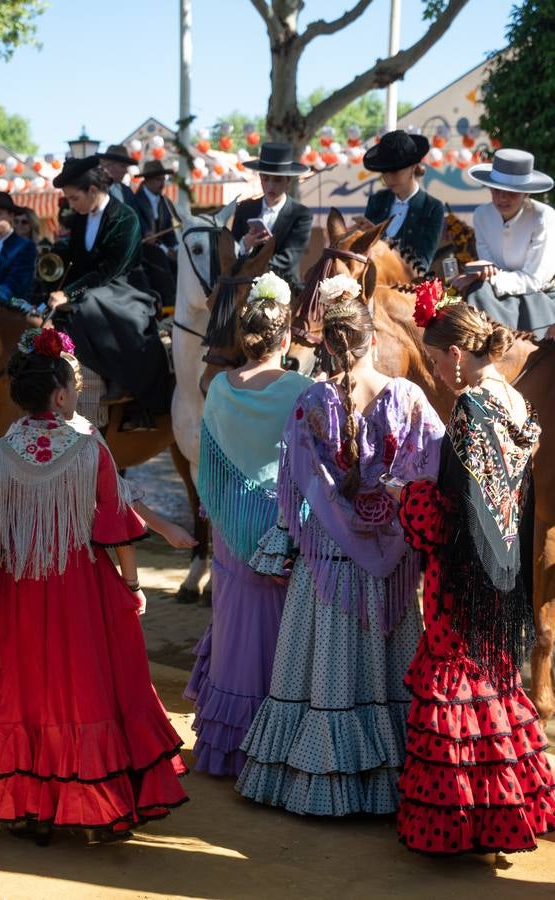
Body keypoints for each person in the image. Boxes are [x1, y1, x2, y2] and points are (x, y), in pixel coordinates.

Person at [0, 329, 189, 845]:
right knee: (84, 690)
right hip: (80, 588)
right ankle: (93, 799)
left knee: (26, 691)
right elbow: (114, 526)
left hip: (18, 589)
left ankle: (27, 803)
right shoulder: (89, 448)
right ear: (62, 395)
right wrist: (132, 586)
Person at [236, 275, 444, 815]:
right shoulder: (410, 398)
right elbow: (435, 470)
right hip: (393, 567)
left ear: (326, 346)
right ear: (373, 341)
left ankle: (322, 787)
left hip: (327, 566)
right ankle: (390, 781)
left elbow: (294, 486)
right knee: (386, 674)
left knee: (324, 677)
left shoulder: (310, 403)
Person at [393, 284, 555, 855]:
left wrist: (407, 494)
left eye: (436, 361)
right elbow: (503, 501)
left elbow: (451, 516)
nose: (436, 372)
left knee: (457, 686)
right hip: (503, 573)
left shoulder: (469, 409)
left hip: (460, 580)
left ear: (456, 354)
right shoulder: (513, 401)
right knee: (495, 683)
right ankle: (511, 803)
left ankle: (463, 819)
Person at [184, 272, 312, 777]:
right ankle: (279, 744)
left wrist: (219, 515)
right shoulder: (303, 389)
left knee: (237, 633)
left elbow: (207, 466)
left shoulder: (218, 387)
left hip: (231, 523)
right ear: (286, 339)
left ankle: (230, 749)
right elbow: (314, 465)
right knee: (284, 636)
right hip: (286, 525)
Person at [49, 155, 170, 417]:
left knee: (87, 304)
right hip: (92, 289)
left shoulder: (126, 218)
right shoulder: (81, 217)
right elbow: (76, 259)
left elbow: (108, 272)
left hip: (126, 291)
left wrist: (69, 293)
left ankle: (117, 378)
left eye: (73, 198)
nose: (70, 205)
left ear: (92, 190)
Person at [455, 149, 555, 339]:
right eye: (497, 190)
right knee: (475, 295)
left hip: (542, 297)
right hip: (494, 295)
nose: (502, 198)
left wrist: (487, 276)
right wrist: (478, 274)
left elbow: (533, 280)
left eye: (512, 193)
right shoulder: (481, 215)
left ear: (526, 192)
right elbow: (490, 266)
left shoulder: (544, 217)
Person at [233, 142, 313, 288]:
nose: (270, 185)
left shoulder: (301, 214)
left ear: (288, 180)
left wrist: (253, 268)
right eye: (266, 179)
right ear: (260, 178)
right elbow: (230, 250)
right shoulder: (244, 208)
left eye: (277, 180)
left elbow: (288, 258)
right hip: (242, 287)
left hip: (284, 287)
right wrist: (245, 244)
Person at [362, 130, 444, 270]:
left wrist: (379, 239)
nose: (388, 178)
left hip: (406, 288)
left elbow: (422, 263)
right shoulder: (377, 200)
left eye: (394, 171)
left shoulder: (432, 208)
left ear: (413, 167)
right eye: (384, 173)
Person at [133, 159, 179, 309]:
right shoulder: (135, 201)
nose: (162, 183)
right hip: (143, 250)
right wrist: (166, 251)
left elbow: (169, 233)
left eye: (164, 179)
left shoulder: (165, 201)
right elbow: (146, 236)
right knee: (159, 258)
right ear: (147, 180)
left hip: (162, 248)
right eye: (158, 179)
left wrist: (177, 249)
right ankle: (169, 307)